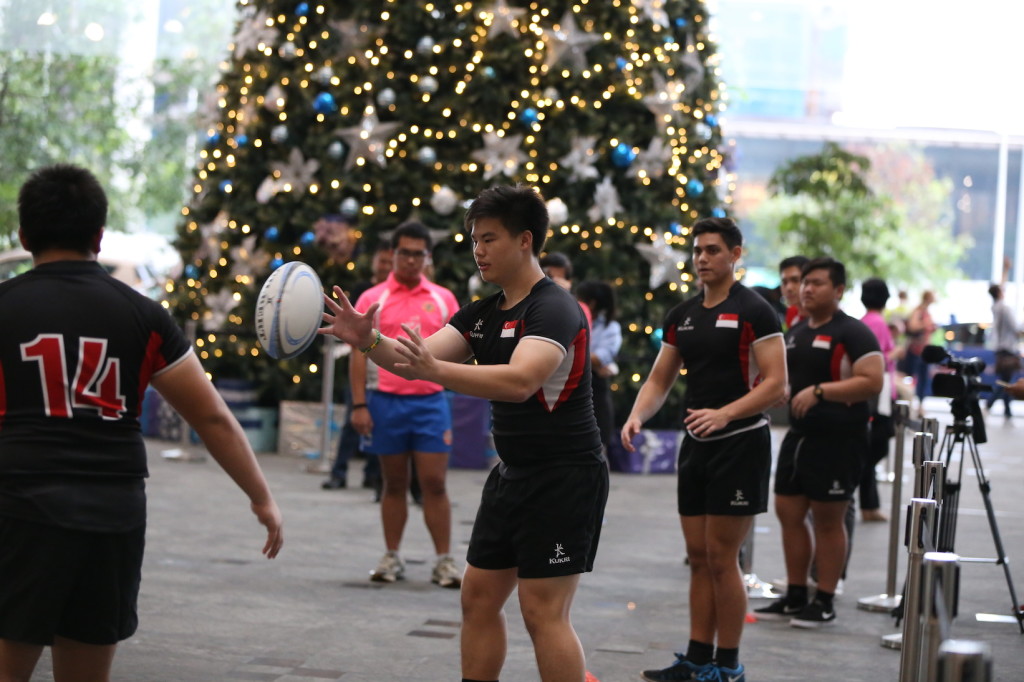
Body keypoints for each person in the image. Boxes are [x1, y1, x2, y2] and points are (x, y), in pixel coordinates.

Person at [0, 164, 283, 682]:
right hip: (112, 514)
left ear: (24, 235)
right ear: (98, 236)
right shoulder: (143, 315)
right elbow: (212, 416)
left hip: (20, 507)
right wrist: (260, 497)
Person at [321, 184, 609, 682]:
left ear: (525, 240)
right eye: (475, 239)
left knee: (542, 611)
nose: (478, 249)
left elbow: (521, 381)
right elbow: (414, 362)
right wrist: (368, 339)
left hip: (565, 477)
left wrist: (437, 372)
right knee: (477, 598)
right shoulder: (483, 313)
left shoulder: (555, 309)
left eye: (489, 238)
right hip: (513, 475)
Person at [622, 217, 787, 682]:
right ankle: (697, 659)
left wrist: (726, 413)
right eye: (697, 251)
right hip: (697, 445)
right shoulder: (683, 314)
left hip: (740, 443)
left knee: (722, 558)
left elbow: (777, 384)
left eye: (713, 250)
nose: (702, 259)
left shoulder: (756, 311)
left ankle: (728, 665)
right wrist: (638, 414)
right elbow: (659, 378)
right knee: (698, 557)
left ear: (736, 254)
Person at [754, 258, 882, 629]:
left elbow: (872, 380)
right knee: (788, 513)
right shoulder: (795, 331)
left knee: (828, 519)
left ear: (839, 290)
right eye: (804, 282)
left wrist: (821, 391)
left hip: (840, 438)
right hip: (800, 436)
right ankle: (796, 595)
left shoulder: (854, 333)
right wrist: (786, 392)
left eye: (817, 283)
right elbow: (791, 379)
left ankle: (824, 600)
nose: (807, 289)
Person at [348, 221, 462, 588]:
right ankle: (391, 556)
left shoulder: (444, 298)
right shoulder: (371, 300)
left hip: (431, 403)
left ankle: (444, 561)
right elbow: (358, 355)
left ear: (428, 258)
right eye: (404, 253)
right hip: (385, 402)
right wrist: (359, 404)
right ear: (392, 255)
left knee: (435, 483)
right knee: (393, 483)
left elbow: (458, 353)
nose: (411, 260)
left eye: (418, 254)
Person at [322, 241, 392, 492]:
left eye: (389, 261)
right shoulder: (365, 291)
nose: (385, 266)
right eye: (382, 260)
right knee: (353, 419)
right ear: (373, 262)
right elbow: (353, 335)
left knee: (380, 424)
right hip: (362, 365)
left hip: (385, 369)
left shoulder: (397, 294)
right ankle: (338, 472)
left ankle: (372, 475)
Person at [859, 278, 897, 523]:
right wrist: (897, 352)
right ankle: (867, 504)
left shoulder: (863, 322)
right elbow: (878, 359)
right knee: (874, 449)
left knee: (871, 451)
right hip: (879, 398)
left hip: (875, 396)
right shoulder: (878, 324)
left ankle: (870, 504)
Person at [576, 280, 622, 455]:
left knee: (596, 444)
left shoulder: (610, 327)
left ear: (591, 303)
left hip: (594, 388)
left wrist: (573, 357)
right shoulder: (573, 318)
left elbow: (601, 357)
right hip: (576, 384)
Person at [985, 283, 1020, 417]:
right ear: (1000, 293)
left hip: (1000, 348)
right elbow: (1015, 328)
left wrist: (1005, 270)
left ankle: (1007, 410)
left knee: (1006, 379)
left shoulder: (995, 307)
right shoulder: (1005, 308)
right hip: (1008, 348)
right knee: (1005, 382)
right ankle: (989, 403)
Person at [903, 290, 937, 417]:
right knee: (912, 378)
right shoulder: (919, 311)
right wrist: (926, 324)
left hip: (924, 351)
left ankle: (920, 405)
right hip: (916, 350)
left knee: (923, 379)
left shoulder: (926, 312)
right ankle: (909, 404)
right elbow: (913, 326)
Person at [778, 255, 809, 330]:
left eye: (795, 280)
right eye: (784, 282)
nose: (789, 288)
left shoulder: (824, 317)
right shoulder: (791, 312)